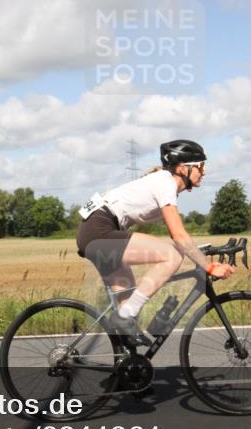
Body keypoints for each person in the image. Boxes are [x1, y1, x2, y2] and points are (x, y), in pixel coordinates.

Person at [75, 139, 236, 344]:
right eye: (200, 166)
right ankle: (124, 318)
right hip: (99, 232)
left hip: (98, 231)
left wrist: (199, 251)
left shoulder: (163, 182)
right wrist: (209, 266)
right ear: (182, 169)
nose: (203, 172)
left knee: (129, 309)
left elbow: (180, 237)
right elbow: (178, 236)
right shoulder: (165, 183)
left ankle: (127, 367)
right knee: (172, 255)